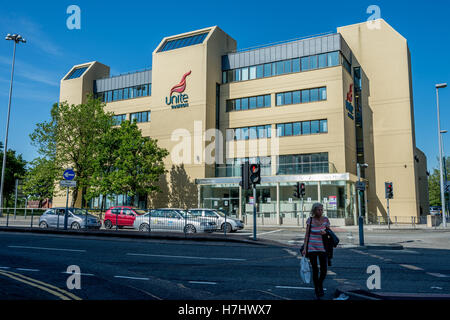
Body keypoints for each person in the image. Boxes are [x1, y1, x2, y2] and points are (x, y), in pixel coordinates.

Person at [302, 202, 330, 299]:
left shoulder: (326, 219)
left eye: (322, 209)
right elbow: (306, 235)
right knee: (315, 269)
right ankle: (317, 288)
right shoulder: (310, 220)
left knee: (324, 270)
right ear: (314, 210)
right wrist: (305, 249)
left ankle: (320, 284)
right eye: (319, 210)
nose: (321, 211)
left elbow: (329, 233)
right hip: (312, 248)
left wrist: (325, 232)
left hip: (323, 248)